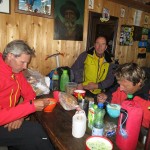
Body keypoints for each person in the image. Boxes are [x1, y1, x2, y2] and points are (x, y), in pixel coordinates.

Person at [0, 40, 54, 150]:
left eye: (27, 63)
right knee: (39, 133)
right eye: (22, 62)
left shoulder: (15, 71)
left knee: (30, 141)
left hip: (8, 118)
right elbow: (30, 103)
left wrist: (20, 116)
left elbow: (30, 94)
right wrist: (29, 107)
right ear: (10, 56)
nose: (25, 67)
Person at [97, 63, 150, 128]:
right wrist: (104, 98)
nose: (121, 88)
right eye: (119, 84)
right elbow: (111, 100)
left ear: (139, 83)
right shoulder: (121, 90)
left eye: (125, 86)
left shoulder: (147, 99)